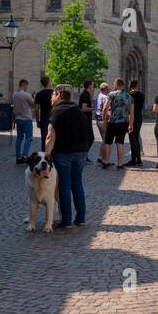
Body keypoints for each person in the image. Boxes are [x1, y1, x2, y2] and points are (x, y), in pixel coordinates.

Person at [44, 85, 93, 230]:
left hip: (63, 153)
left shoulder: (56, 111)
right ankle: (81, 218)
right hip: (80, 152)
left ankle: (66, 221)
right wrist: (85, 150)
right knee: (77, 183)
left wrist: (46, 155)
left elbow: (50, 136)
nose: (51, 97)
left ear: (59, 95)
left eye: (53, 94)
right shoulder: (78, 110)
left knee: (64, 185)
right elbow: (89, 133)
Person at [100, 78, 131, 169]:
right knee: (120, 143)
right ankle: (120, 164)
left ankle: (106, 161)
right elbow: (131, 112)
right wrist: (131, 124)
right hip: (124, 122)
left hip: (113, 121)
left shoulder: (111, 95)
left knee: (108, 142)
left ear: (116, 85)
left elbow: (105, 108)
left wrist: (104, 119)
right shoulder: (128, 96)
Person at [11, 79, 36, 163]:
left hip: (18, 119)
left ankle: (18, 157)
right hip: (27, 119)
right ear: (24, 85)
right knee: (29, 138)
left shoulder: (14, 94)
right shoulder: (27, 95)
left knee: (19, 138)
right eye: (26, 86)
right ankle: (25, 156)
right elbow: (34, 104)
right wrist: (33, 97)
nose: (27, 88)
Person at [126, 82, 146, 167]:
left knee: (132, 139)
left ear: (130, 86)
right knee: (137, 138)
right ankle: (139, 160)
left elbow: (128, 108)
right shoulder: (142, 95)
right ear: (137, 86)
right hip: (139, 118)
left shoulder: (129, 95)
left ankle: (133, 160)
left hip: (131, 118)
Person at [34, 75, 54, 151]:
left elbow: (36, 109)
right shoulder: (54, 93)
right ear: (48, 82)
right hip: (53, 119)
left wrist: (37, 121)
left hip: (43, 119)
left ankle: (44, 156)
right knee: (53, 138)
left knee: (44, 138)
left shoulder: (39, 94)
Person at [78, 81, 94, 161]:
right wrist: (93, 108)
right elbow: (83, 108)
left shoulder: (86, 94)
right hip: (85, 120)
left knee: (88, 138)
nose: (93, 87)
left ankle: (84, 155)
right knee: (90, 138)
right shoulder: (85, 95)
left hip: (87, 120)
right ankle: (83, 155)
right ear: (89, 86)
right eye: (92, 85)